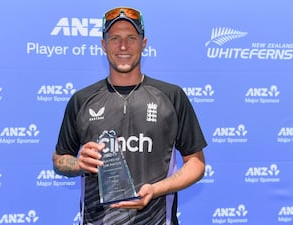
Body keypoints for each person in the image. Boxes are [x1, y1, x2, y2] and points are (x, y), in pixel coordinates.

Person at [52, 6, 207, 225]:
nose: (123, 46)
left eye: (131, 37)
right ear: (103, 45)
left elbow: (196, 163)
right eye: (115, 38)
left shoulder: (172, 96)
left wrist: (155, 189)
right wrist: (78, 164)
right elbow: (59, 158)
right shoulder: (81, 99)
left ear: (143, 44)